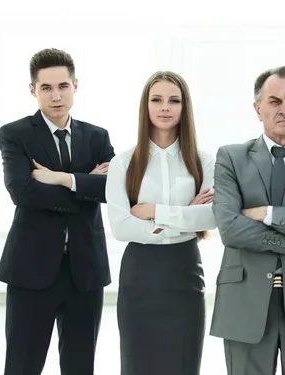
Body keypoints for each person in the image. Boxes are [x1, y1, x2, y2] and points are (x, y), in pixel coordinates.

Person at [0, 48, 115, 375]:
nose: (56, 96)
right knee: (23, 364)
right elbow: (22, 191)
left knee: (80, 366)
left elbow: (114, 191)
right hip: (30, 269)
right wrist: (85, 183)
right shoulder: (15, 134)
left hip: (84, 270)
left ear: (75, 85)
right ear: (33, 90)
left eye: (62, 86)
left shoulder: (97, 136)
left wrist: (61, 179)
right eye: (46, 88)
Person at [105, 71, 217, 375]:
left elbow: (210, 217)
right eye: (157, 99)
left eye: (173, 100)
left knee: (184, 365)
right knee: (137, 366)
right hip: (140, 274)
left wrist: (156, 211)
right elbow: (121, 227)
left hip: (184, 274)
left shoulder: (204, 162)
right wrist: (185, 216)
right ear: (146, 106)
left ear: (184, 107)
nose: (165, 107)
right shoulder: (123, 163)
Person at [210, 66, 285, 375]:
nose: (283, 109)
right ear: (258, 108)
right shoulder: (231, 157)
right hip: (245, 300)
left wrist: (267, 214)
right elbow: (229, 228)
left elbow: (245, 226)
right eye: (275, 101)